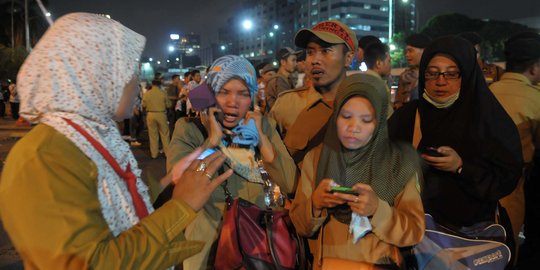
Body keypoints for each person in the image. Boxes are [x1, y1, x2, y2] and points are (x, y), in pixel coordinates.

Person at [0, 12, 233, 269]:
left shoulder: (92, 135)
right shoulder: (43, 156)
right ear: (93, 74)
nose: (135, 82)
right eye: (126, 69)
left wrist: (170, 181)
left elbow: (122, 208)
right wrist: (182, 206)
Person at [388, 36, 523, 258]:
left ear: (467, 75)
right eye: (432, 73)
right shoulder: (407, 116)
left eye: (451, 73)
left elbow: (506, 176)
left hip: (472, 237)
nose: (441, 81)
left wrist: (461, 167)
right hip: (415, 234)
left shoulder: (487, 119)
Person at [166, 55, 296, 269]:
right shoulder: (189, 129)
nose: (232, 102)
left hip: (257, 250)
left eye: (242, 94)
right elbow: (180, 184)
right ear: (210, 94)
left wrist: (262, 139)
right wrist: (212, 140)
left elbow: (290, 183)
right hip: (209, 251)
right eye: (223, 92)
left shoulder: (264, 126)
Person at [290, 73, 424, 269]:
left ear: (378, 123)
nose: (354, 127)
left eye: (366, 120)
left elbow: (414, 231)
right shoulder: (316, 158)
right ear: (335, 115)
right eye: (346, 116)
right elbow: (300, 226)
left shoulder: (397, 164)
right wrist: (315, 204)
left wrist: (377, 210)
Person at [270, 20, 356, 165]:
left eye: (325, 51)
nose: (315, 60)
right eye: (310, 52)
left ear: (348, 58)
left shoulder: (370, 106)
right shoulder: (287, 104)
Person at [489, 32, 540, 267]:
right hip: (514, 190)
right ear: (534, 67)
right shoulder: (534, 99)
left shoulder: (485, 93)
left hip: (474, 187)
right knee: (508, 251)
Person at [394, 33, 431, 110]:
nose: (407, 55)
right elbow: (397, 102)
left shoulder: (433, 76)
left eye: (410, 51)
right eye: (406, 51)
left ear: (424, 51)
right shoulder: (404, 76)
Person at [265, 47, 302, 112]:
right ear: (283, 62)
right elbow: (287, 107)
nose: (296, 64)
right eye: (293, 60)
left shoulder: (287, 79)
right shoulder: (279, 81)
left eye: (296, 60)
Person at [142, 78, 171, 159]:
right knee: (165, 134)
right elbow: (168, 105)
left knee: (152, 135)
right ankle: (167, 153)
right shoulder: (163, 93)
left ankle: (154, 154)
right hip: (161, 114)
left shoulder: (147, 94)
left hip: (150, 114)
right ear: (160, 84)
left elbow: (143, 105)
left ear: (152, 84)